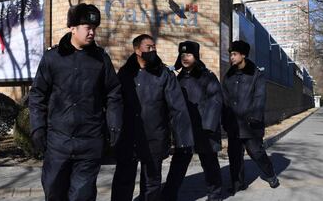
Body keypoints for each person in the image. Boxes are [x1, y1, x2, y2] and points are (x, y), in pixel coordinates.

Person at [29, 3, 123, 201]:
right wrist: (37, 128)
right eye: (88, 28)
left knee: (83, 195)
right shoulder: (52, 58)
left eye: (94, 28)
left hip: (90, 141)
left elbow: (113, 94)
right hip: (58, 143)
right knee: (54, 192)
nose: (92, 32)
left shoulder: (100, 60)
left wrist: (114, 125)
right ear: (72, 27)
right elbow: (37, 95)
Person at [111, 34, 194, 201]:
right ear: (137, 50)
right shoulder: (125, 73)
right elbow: (115, 103)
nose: (153, 50)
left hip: (154, 137)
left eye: (154, 47)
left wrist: (183, 139)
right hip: (129, 137)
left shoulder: (164, 74)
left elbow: (177, 108)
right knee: (123, 179)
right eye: (148, 48)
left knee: (151, 182)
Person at [162, 41, 223, 201]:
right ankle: (169, 195)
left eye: (188, 54)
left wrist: (208, 126)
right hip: (184, 131)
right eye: (182, 55)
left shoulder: (207, 77)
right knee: (178, 165)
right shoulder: (176, 78)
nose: (185, 58)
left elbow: (215, 100)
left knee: (210, 165)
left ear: (196, 56)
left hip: (204, 130)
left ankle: (215, 195)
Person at [222, 40, 280, 195]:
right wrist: (225, 119)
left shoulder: (256, 74)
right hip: (234, 124)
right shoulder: (228, 75)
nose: (231, 57)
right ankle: (238, 184)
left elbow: (260, 97)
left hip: (250, 124)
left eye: (234, 54)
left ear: (243, 55)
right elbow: (224, 99)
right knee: (234, 156)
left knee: (256, 152)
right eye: (230, 54)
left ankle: (270, 174)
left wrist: (254, 117)